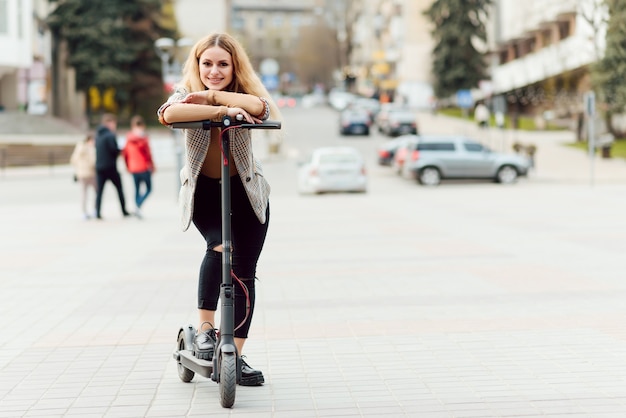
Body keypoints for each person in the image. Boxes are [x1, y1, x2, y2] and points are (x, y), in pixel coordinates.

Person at [157, 32, 281, 386]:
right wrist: (222, 110)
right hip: (207, 195)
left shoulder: (246, 94)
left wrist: (216, 97)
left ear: (234, 66)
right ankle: (206, 330)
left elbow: (262, 108)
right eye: (206, 64)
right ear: (197, 65)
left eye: (222, 64)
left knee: (244, 271)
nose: (213, 71)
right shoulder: (185, 93)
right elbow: (169, 113)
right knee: (220, 246)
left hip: (246, 192)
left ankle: (235, 354)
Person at [94, 113, 130, 219]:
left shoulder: (98, 135)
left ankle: (97, 213)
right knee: (119, 189)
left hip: (99, 167)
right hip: (110, 167)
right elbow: (113, 150)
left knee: (99, 192)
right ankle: (124, 211)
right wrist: (122, 150)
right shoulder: (110, 135)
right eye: (114, 123)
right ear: (109, 123)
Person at [123, 115, 155, 219]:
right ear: (142, 125)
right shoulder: (143, 139)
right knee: (149, 189)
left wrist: (127, 166)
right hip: (143, 167)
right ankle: (138, 206)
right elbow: (148, 154)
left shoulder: (128, 139)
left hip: (133, 168)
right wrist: (152, 165)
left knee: (137, 189)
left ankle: (137, 207)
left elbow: (125, 154)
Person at [70, 133, 97, 219]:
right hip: (90, 173)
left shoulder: (79, 148)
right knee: (96, 192)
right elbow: (93, 162)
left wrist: (79, 168)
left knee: (83, 194)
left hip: (81, 174)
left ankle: (84, 212)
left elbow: (73, 160)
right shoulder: (90, 149)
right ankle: (94, 210)